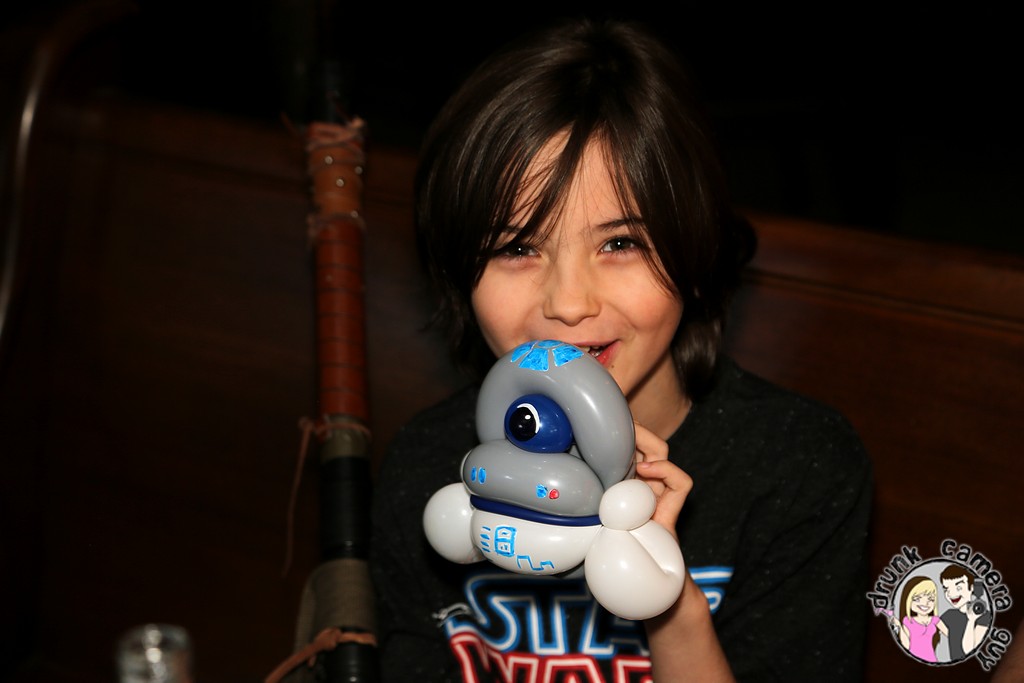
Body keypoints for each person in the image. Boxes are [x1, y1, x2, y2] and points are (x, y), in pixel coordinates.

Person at [369, 16, 873, 682]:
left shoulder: (796, 468)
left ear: (697, 251)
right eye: (517, 247)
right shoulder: (428, 467)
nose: (569, 301)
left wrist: (668, 602)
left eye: (620, 243)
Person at [939, 565, 992, 660]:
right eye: (946, 589)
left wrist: (971, 620)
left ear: (971, 588)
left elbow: (969, 650)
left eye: (958, 588)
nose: (951, 594)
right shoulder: (949, 615)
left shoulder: (984, 616)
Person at [890, 576, 947, 663]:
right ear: (908, 600)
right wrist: (899, 626)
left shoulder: (935, 620)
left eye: (931, 599)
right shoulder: (908, 621)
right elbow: (906, 645)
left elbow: (951, 635)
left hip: (932, 660)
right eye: (917, 599)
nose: (925, 603)